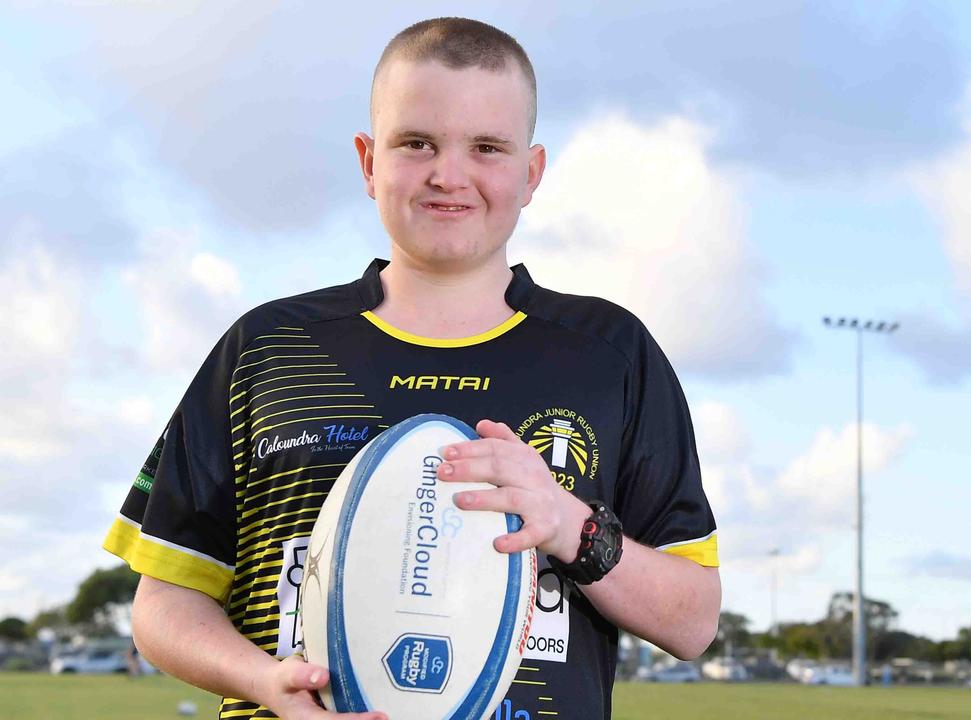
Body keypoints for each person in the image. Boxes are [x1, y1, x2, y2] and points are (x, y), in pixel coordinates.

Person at [103, 17, 721, 720]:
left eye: (487, 147)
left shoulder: (610, 353)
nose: (447, 174)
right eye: (416, 142)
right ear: (369, 161)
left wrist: (566, 523)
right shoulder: (269, 346)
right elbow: (163, 604)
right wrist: (263, 679)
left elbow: (692, 621)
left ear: (531, 172)